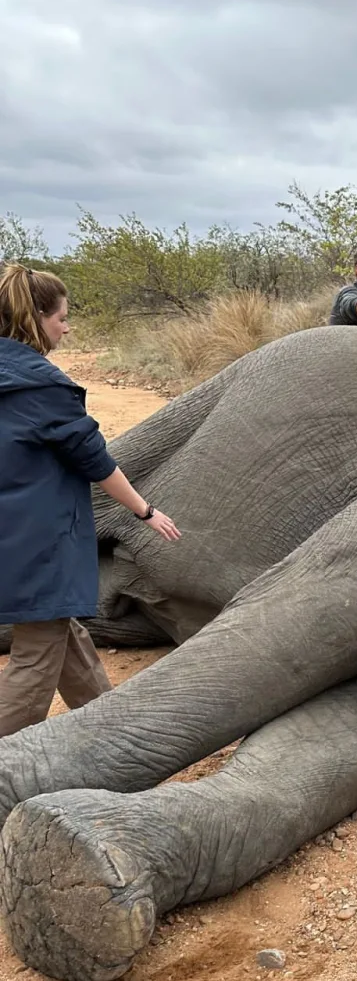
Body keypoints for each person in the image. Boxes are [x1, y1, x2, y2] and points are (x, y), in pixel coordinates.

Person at [0, 264, 180, 737]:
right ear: (36, 318)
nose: (67, 326)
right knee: (36, 658)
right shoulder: (43, 387)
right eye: (62, 317)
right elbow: (95, 461)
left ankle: (110, 733)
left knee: (65, 635)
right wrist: (146, 510)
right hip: (40, 541)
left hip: (10, 537)